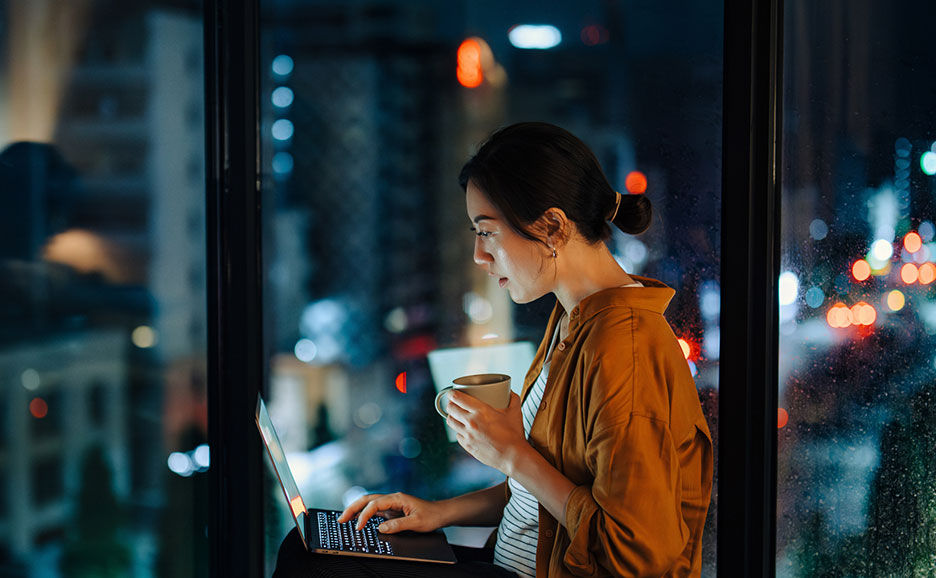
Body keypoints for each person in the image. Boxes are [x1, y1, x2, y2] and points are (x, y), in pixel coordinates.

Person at [287, 122, 713, 577]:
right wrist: (438, 512)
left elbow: (638, 558)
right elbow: (545, 490)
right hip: (506, 562)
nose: (478, 255)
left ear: (551, 227)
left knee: (310, 561)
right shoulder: (572, 320)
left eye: (487, 232)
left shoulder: (624, 349)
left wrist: (512, 453)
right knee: (309, 546)